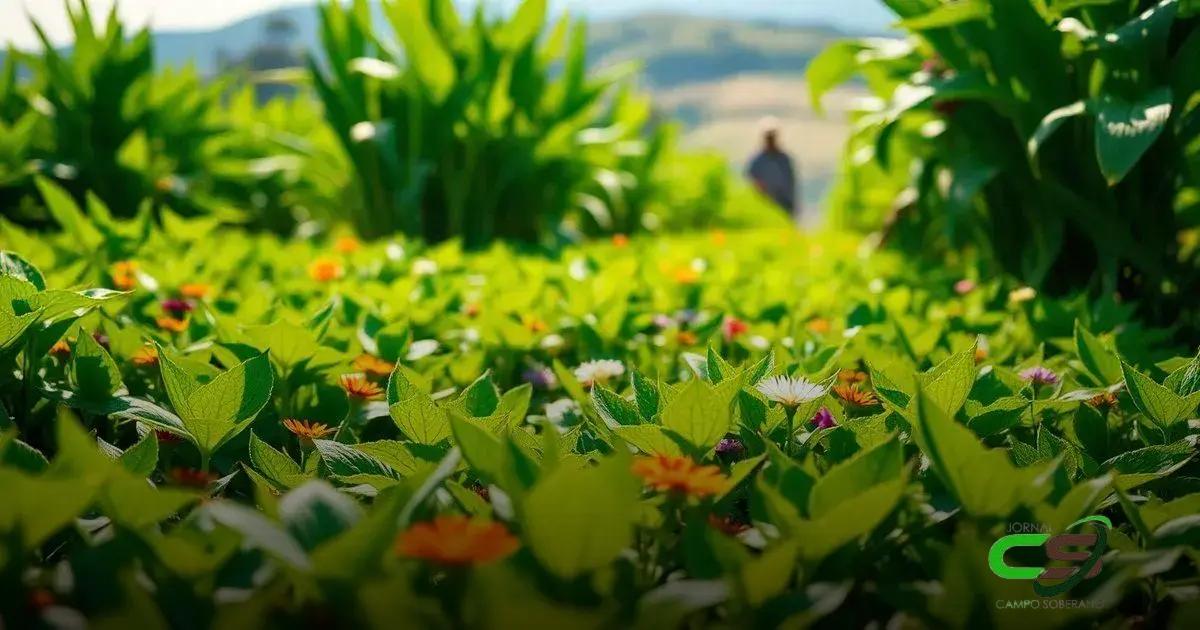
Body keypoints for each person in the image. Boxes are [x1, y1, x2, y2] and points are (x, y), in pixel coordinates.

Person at [746, 117, 799, 219]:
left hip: (784, 205)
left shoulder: (784, 159)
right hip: (763, 205)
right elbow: (750, 181)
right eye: (768, 137)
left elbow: (791, 183)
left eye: (772, 137)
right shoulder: (757, 161)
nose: (770, 140)